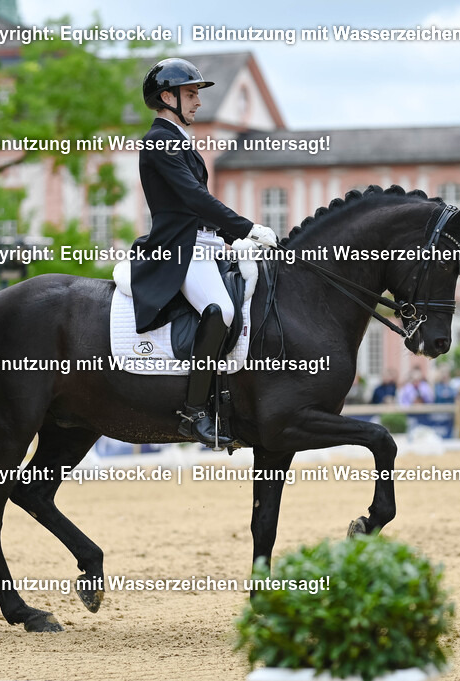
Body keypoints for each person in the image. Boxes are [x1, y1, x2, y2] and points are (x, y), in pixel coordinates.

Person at [131, 58, 278, 447]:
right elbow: (194, 198)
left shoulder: (179, 139)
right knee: (222, 310)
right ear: (168, 96)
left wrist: (232, 239)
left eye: (197, 94)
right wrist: (247, 227)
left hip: (205, 246)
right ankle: (193, 413)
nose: (198, 102)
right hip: (179, 251)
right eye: (191, 94)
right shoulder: (160, 140)